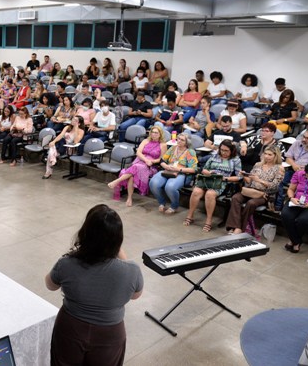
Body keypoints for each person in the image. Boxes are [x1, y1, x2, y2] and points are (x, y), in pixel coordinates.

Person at [45, 204, 143, 366]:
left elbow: (50, 285)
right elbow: (136, 295)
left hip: (71, 327)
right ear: (118, 239)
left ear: (85, 233)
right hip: (110, 332)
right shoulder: (131, 270)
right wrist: (115, 248)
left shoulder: (66, 264)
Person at [183, 139, 242, 232]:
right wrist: (207, 172)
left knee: (210, 194)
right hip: (208, 179)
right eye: (222, 150)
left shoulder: (235, 160)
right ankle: (190, 215)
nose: (223, 152)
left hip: (222, 182)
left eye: (226, 150)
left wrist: (225, 178)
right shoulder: (214, 156)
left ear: (232, 150)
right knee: (196, 191)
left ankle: (208, 220)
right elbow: (204, 169)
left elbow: (239, 177)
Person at [226, 145, 283, 235]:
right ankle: (236, 226)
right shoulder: (258, 165)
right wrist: (244, 176)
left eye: (270, 154)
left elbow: (275, 186)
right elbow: (249, 181)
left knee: (251, 203)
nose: (267, 156)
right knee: (235, 198)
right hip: (250, 190)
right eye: (265, 154)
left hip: (264, 194)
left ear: (276, 156)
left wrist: (259, 180)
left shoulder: (279, 168)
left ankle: (240, 228)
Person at [108, 126, 167, 207]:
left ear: (160, 134)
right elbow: (138, 152)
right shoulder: (146, 141)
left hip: (151, 166)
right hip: (140, 161)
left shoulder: (163, 145)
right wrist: (145, 160)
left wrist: (151, 161)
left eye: (156, 133)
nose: (153, 134)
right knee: (132, 174)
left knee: (135, 169)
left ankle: (117, 181)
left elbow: (161, 159)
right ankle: (129, 198)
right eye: (152, 132)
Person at [149, 133, 199, 214]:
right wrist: (165, 166)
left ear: (187, 142)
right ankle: (162, 202)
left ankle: (174, 205)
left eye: (182, 140)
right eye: (178, 138)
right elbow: (162, 160)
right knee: (153, 183)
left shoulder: (190, 152)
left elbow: (193, 169)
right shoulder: (173, 148)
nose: (179, 141)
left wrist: (179, 169)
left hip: (181, 173)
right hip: (168, 170)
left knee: (170, 187)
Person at [275, 131, 308, 210]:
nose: (304, 139)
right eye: (303, 136)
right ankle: (278, 206)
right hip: (292, 169)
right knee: (279, 181)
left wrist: (304, 169)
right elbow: (288, 157)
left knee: (300, 187)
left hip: (307, 174)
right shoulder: (297, 143)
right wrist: (294, 165)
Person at [282, 163, 308, 254]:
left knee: (303, 220)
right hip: (297, 201)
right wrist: (292, 198)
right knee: (286, 214)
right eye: (307, 176)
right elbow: (290, 189)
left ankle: (293, 241)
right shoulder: (299, 174)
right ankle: (296, 241)